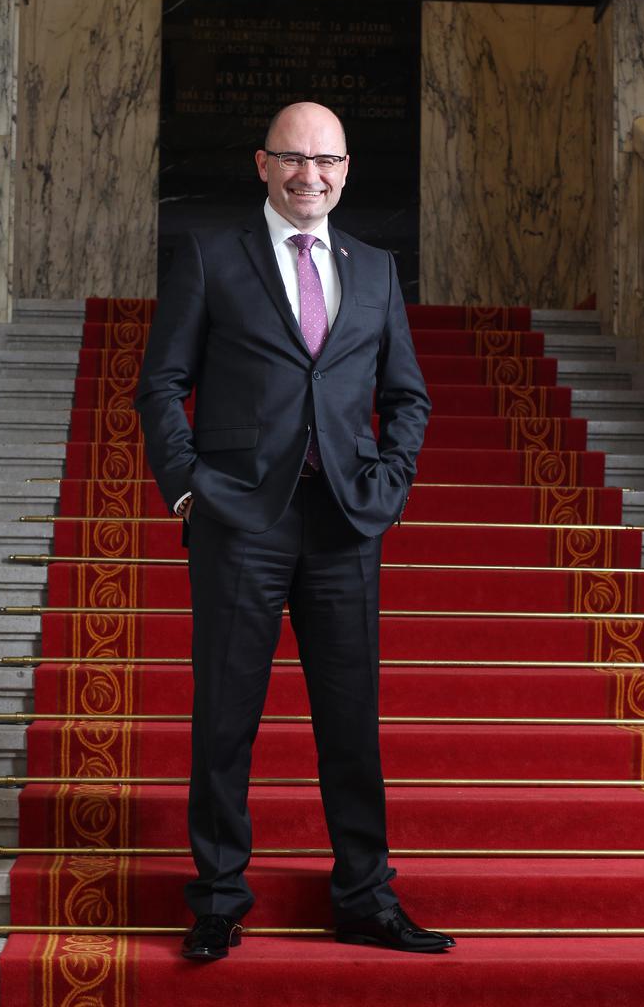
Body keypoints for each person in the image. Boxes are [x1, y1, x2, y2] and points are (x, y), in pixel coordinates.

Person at [135, 101, 453, 961]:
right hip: (239, 519)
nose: (310, 175)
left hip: (345, 521)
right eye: (293, 158)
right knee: (225, 719)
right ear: (262, 164)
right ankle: (217, 899)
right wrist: (188, 490)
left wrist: (389, 484)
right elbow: (160, 385)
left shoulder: (375, 269)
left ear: (345, 171)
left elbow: (407, 395)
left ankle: (364, 896)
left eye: (326, 160)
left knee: (351, 723)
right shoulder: (211, 256)